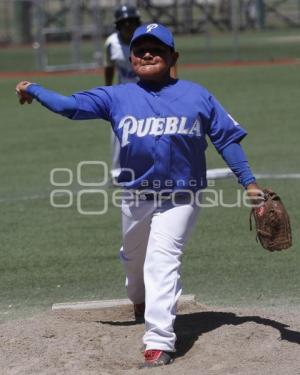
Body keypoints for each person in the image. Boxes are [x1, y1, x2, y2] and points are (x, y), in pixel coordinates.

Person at [16, 23, 262, 367]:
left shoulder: (197, 95)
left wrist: (249, 183)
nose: (148, 54)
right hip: (136, 196)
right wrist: (33, 88)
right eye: (140, 50)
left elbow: (227, 139)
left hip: (182, 196)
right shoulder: (117, 96)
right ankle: (142, 301)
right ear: (131, 58)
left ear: (173, 56)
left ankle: (158, 341)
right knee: (134, 261)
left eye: (157, 49)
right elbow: (68, 106)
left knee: (162, 260)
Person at [103, 4, 141, 182]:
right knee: (118, 129)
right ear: (118, 25)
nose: (128, 26)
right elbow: (109, 66)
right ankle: (118, 172)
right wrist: (107, 90)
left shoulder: (144, 39)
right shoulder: (112, 43)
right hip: (122, 92)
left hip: (147, 90)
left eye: (131, 22)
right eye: (124, 22)